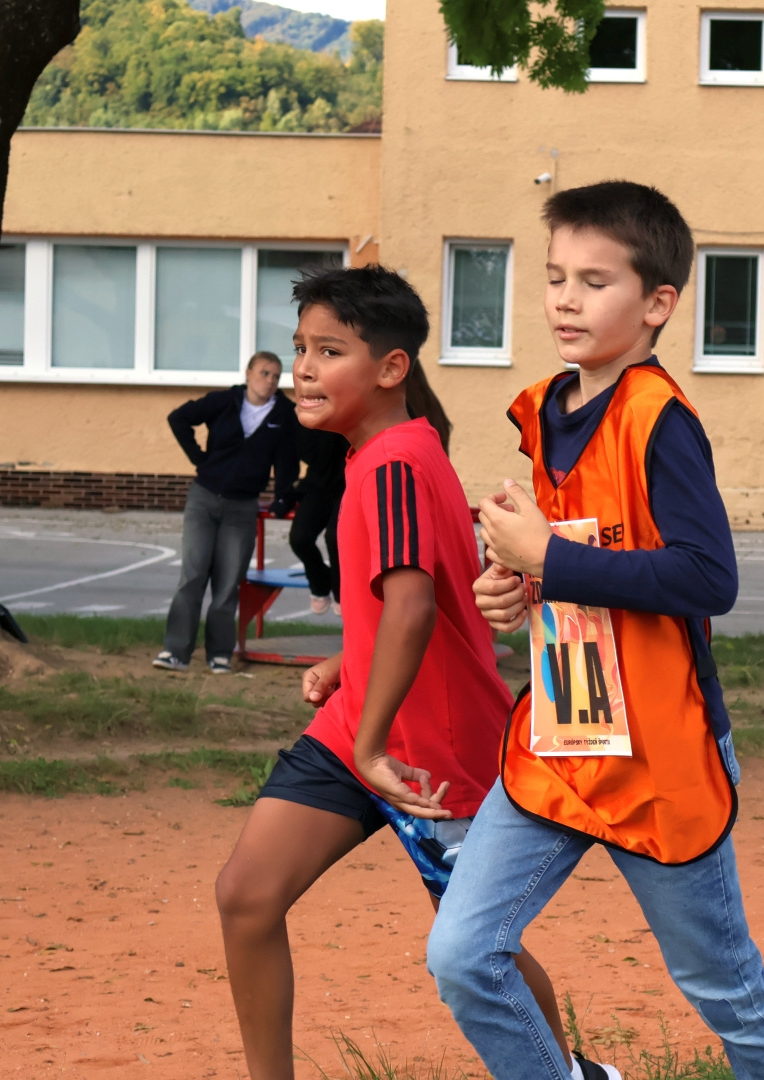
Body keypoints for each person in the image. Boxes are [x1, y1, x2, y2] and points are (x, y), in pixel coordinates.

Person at [430, 181, 764, 1080]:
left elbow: (707, 579)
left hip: (660, 753)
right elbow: (581, 550)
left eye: (595, 282)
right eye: (555, 277)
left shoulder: (658, 420)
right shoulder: (543, 412)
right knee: (462, 952)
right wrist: (515, 583)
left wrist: (550, 560)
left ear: (657, 304)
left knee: (723, 985)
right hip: (561, 736)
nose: (566, 299)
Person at [213, 266, 610, 1080]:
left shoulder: (395, 462)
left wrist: (370, 742)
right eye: (300, 350)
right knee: (247, 895)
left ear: (391, 368)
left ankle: (572, 1076)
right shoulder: (389, 453)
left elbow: (415, 608)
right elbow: (413, 601)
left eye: (330, 351)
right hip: (362, 729)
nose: (305, 370)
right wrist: (349, 660)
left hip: (430, 750)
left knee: (479, 950)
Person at [155, 351, 299, 674]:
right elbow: (179, 418)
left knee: (229, 581)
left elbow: (287, 462)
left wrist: (283, 498)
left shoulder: (284, 415)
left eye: (276, 376)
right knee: (193, 575)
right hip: (203, 499)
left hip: (242, 507)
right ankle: (175, 652)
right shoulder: (223, 401)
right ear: (248, 373)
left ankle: (220, 653)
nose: (270, 381)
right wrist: (199, 459)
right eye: (264, 373)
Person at [289, 424, 348, 614]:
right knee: (300, 538)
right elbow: (306, 453)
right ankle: (321, 583)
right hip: (317, 484)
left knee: (335, 537)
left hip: (350, 483)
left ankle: (341, 593)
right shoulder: (307, 415)